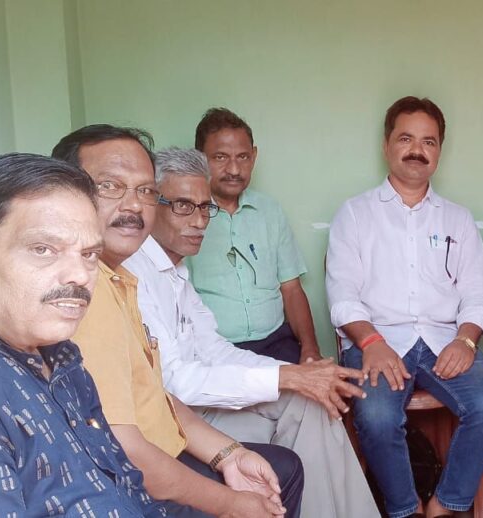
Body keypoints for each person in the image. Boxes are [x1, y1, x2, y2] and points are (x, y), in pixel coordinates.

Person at [52, 125, 303, 517]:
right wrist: (233, 504)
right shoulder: (85, 292)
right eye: (110, 186)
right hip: (126, 485)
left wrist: (229, 455)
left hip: (169, 441)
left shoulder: (121, 279)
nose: (134, 205)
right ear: (64, 195)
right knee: (279, 474)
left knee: (283, 458)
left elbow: (158, 394)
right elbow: (128, 452)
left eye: (144, 191)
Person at [124, 147, 377, 518]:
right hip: (178, 426)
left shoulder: (177, 273)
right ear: (151, 204)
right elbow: (174, 382)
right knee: (301, 400)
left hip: (199, 412)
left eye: (204, 207)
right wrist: (286, 377)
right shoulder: (134, 273)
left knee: (313, 402)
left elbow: (216, 349)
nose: (199, 221)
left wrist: (297, 375)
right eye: (183, 206)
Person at [0, 153, 166, 516]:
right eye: (43, 249)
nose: (79, 275)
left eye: (89, 254)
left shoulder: (61, 356)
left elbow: (128, 484)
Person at [326, 96, 483, 518]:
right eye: (406, 138)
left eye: (428, 141)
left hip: (446, 340)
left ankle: (443, 506)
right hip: (378, 341)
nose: (417, 150)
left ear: (439, 150)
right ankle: (405, 510)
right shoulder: (355, 214)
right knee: (376, 417)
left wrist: (467, 340)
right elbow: (342, 293)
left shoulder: (457, 219)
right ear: (386, 145)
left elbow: (478, 289)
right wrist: (370, 342)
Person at [185, 108, 320, 364]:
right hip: (214, 350)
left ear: (254, 156)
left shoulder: (270, 211)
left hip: (276, 342)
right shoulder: (186, 217)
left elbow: (291, 289)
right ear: (199, 159)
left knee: (326, 387)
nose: (234, 169)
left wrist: (310, 349)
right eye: (221, 157)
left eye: (243, 157)